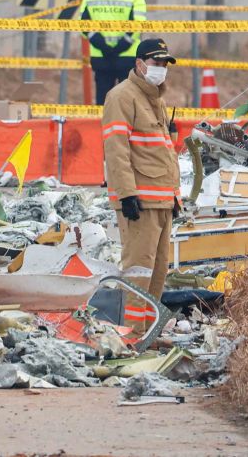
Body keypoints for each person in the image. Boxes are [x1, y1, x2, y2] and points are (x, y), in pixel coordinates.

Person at [101, 38, 181, 336]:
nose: (161, 68)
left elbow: (163, 152)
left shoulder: (156, 99)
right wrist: (126, 194)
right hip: (140, 201)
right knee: (138, 273)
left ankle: (149, 334)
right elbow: (116, 149)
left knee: (157, 274)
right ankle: (132, 335)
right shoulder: (121, 97)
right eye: (155, 62)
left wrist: (175, 197)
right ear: (139, 64)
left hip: (162, 201)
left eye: (164, 63)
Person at [80, 0, 148, 104]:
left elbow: (84, 26)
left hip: (100, 57)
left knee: (103, 104)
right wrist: (119, 47)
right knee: (128, 104)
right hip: (127, 56)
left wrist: (103, 46)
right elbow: (137, 26)